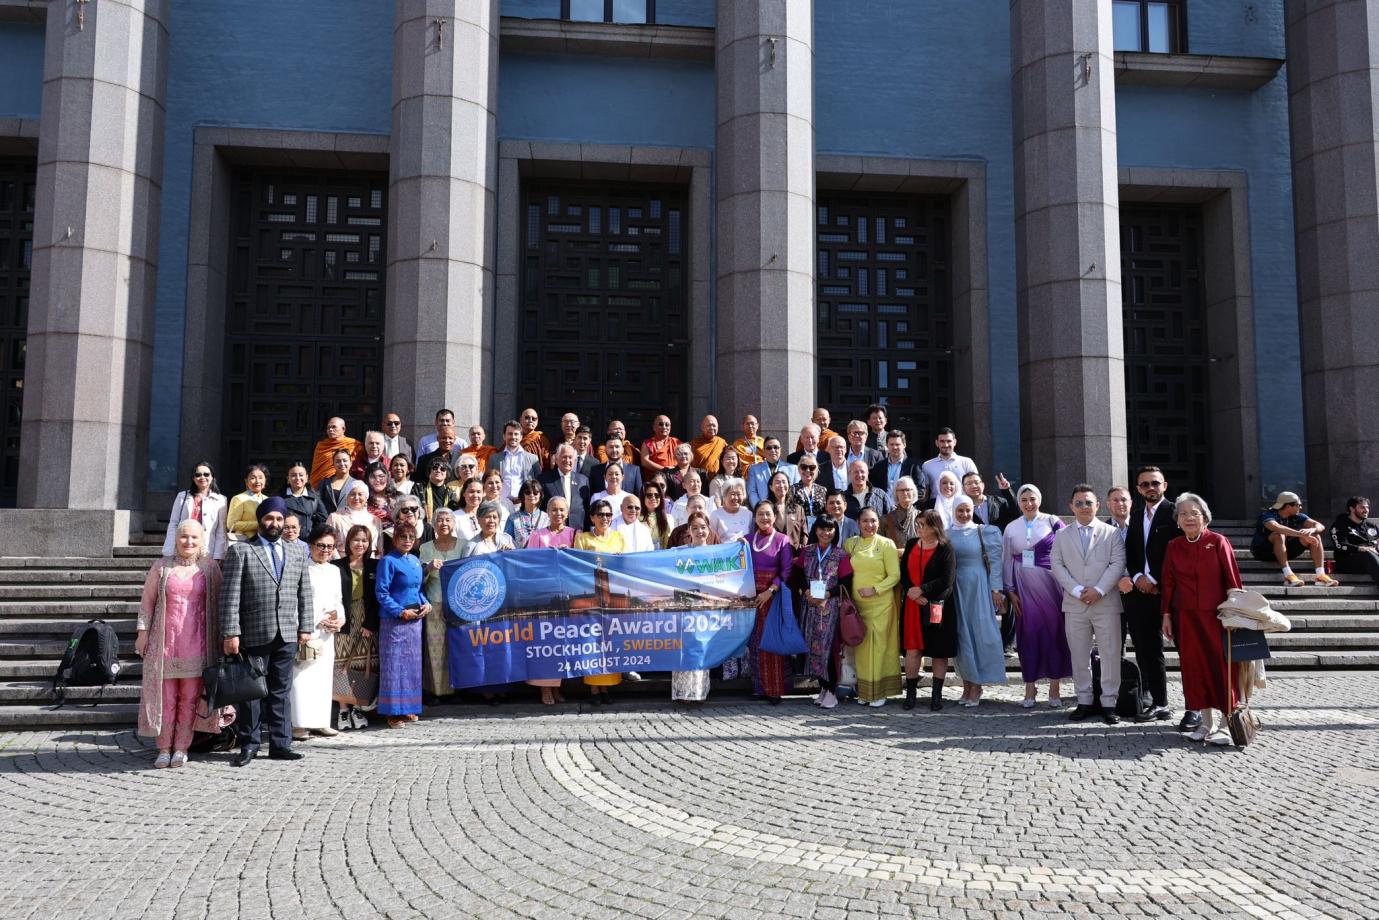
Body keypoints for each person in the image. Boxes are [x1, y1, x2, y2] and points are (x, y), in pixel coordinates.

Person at [221, 497, 314, 766]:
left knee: (281, 691)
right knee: (251, 693)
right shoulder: (241, 551)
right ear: (260, 520)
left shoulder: (297, 552)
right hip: (253, 632)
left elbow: (304, 592)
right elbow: (230, 596)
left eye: (279, 519)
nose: (274, 523)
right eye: (269, 518)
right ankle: (249, 744)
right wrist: (231, 632)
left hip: (287, 633)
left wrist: (305, 626)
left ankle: (280, 744)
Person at [136, 519, 224, 768]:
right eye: (184, 536)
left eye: (194, 537)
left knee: (189, 699)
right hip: (164, 644)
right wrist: (142, 633)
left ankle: (182, 748)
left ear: (202, 540)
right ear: (175, 539)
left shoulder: (210, 568)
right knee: (165, 699)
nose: (189, 541)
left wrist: (223, 639)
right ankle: (164, 748)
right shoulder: (162, 567)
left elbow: (220, 605)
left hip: (198, 645)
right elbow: (147, 602)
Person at [1160, 492, 1244, 745]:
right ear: (1177, 520)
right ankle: (1205, 723)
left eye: (1194, 513)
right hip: (1185, 617)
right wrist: (1166, 615)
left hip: (1216, 617)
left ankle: (1226, 724)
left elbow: (1232, 580)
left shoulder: (1218, 541)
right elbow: (1168, 582)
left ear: (1205, 517)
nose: (1189, 518)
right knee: (1194, 668)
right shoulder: (1173, 546)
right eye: (1183, 514)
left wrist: (1234, 612)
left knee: (1222, 667)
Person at [1050, 486, 1126, 725]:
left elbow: (1117, 564)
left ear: (1098, 506)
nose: (1084, 507)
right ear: (1071, 507)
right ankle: (1084, 700)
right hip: (1075, 604)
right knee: (1079, 655)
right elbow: (1056, 564)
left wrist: (1099, 590)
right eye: (1079, 503)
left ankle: (1109, 702)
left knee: (1110, 653)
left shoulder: (1111, 533)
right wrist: (1075, 590)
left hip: (1106, 602)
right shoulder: (1062, 535)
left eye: (1088, 502)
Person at [1123, 466, 1183, 723]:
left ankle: (1195, 708)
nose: (1151, 488)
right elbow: (1130, 552)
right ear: (1138, 489)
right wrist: (1138, 577)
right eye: (1145, 484)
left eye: (1155, 483)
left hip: (1171, 593)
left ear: (1164, 486)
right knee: (1148, 652)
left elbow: (1178, 552)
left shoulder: (1176, 513)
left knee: (1186, 652)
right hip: (1141, 594)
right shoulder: (1136, 517)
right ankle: (1159, 703)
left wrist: (1155, 579)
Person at [1002, 485, 1070, 708]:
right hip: (1023, 589)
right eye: (1024, 500)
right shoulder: (1011, 527)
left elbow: (1068, 551)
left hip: (1052, 588)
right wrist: (1010, 590)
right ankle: (1030, 686)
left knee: (1054, 634)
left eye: (1032, 499)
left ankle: (1055, 687)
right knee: (1028, 637)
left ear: (1039, 500)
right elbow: (1007, 559)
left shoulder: (1053, 521)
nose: (1028, 503)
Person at [787, 515, 852, 710]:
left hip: (829, 607)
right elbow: (797, 575)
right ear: (815, 530)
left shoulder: (841, 555)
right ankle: (823, 688)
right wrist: (805, 590)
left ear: (835, 532)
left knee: (828, 648)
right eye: (822, 529)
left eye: (830, 529)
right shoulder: (807, 552)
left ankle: (831, 690)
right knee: (812, 647)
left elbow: (847, 582)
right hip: (809, 606)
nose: (826, 533)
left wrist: (828, 594)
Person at [947, 496, 1007, 708]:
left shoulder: (984, 531)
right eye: (960, 510)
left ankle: (978, 685)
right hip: (956, 589)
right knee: (961, 636)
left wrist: (996, 589)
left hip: (978, 587)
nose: (964, 514)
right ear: (953, 511)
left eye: (968, 510)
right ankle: (967, 683)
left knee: (979, 634)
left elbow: (995, 562)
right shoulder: (946, 533)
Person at [375, 520, 430, 728]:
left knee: (411, 665)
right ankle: (392, 712)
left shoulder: (415, 560)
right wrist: (400, 611)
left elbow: (418, 589)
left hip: (415, 621)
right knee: (394, 665)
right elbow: (382, 592)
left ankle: (408, 708)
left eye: (411, 537)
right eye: (403, 537)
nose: (407, 540)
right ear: (395, 539)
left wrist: (426, 604)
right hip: (394, 621)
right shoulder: (388, 561)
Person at [292, 524, 345, 740]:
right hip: (308, 629)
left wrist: (340, 619)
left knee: (323, 677)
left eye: (329, 546)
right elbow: (295, 601)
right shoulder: (301, 568)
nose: (325, 550)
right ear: (311, 545)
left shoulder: (334, 570)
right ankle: (299, 723)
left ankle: (321, 721)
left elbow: (337, 600)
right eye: (320, 545)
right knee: (302, 676)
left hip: (327, 632)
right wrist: (315, 620)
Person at [846, 507, 902, 706]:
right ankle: (865, 692)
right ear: (858, 523)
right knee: (861, 649)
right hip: (857, 607)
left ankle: (879, 693)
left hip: (881, 604)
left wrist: (875, 589)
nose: (869, 525)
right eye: (865, 521)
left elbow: (894, 575)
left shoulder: (886, 544)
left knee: (879, 647)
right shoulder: (851, 544)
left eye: (873, 521)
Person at [575, 499, 626, 703]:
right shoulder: (583, 538)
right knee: (592, 642)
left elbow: (624, 566)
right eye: (600, 514)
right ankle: (594, 688)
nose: (605, 518)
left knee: (610, 642)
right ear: (592, 517)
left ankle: (606, 687)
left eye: (608, 514)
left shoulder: (618, 537)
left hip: (612, 595)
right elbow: (578, 566)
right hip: (592, 595)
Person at [745, 501, 795, 704]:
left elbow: (786, 571)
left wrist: (770, 591)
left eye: (768, 514)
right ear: (754, 517)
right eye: (760, 514)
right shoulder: (747, 540)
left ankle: (775, 690)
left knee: (772, 642)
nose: (764, 518)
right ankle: (759, 688)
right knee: (755, 644)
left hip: (773, 598)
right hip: (752, 599)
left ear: (774, 517)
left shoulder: (783, 540)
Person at [668, 511, 719, 705]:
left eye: (703, 527)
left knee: (700, 648)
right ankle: (682, 692)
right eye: (695, 528)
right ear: (689, 530)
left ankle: (698, 692)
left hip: (705, 607)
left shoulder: (716, 553)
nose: (699, 531)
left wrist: (741, 543)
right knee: (683, 647)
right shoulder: (679, 552)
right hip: (684, 606)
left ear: (709, 529)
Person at [332, 524, 379, 731]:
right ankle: (343, 710)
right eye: (356, 540)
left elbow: (378, 597)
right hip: (344, 618)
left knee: (363, 664)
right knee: (342, 664)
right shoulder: (336, 565)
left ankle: (358, 708)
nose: (360, 544)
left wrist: (370, 624)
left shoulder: (375, 566)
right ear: (348, 542)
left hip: (366, 619)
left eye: (364, 540)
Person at [419, 507, 467, 701]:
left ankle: (459, 690)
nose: (444, 523)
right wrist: (428, 568)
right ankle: (438, 692)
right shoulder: (425, 548)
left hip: (459, 605)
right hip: (435, 603)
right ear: (433, 524)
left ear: (454, 523)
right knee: (436, 649)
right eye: (439, 520)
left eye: (448, 520)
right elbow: (419, 579)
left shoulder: (464, 545)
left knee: (458, 647)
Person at [1251, 490, 1337, 587]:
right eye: (1298, 505)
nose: (1300, 507)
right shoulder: (1267, 515)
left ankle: (1320, 576)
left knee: (1315, 535)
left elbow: (1320, 526)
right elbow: (1277, 527)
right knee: (1278, 534)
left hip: (1285, 552)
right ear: (1288, 506)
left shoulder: (1296, 516)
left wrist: (1313, 529)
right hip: (1263, 552)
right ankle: (1288, 576)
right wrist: (1302, 534)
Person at [163, 462, 229, 562]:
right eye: (198, 475)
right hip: (184, 546)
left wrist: (218, 555)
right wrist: (169, 550)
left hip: (207, 549)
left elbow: (221, 530)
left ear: (212, 477)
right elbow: (173, 524)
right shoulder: (182, 496)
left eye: (206, 474)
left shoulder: (221, 500)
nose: (202, 477)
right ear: (193, 478)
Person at [539, 443, 591, 530]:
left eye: (570, 457)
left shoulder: (583, 480)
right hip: (553, 530)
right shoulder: (544, 480)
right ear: (556, 459)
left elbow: (586, 507)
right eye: (564, 457)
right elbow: (541, 507)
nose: (567, 460)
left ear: (575, 461)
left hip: (577, 530)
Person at [1331, 496, 1379, 586]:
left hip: (1372, 561)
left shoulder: (1371, 526)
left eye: (1367, 507)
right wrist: (1360, 548)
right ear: (1352, 509)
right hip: (1348, 562)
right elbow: (1339, 545)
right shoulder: (1340, 524)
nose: (1366, 510)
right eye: (1362, 507)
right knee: (1367, 553)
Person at [327, 481, 380, 560]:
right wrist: (340, 562)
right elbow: (328, 543)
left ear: (366, 498)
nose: (356, 498)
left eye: (360, 494)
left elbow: (380, 548)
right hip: (341, 562)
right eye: (352, 494)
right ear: (347, 497)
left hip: (370, 563)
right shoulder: (335, 517)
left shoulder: (376, 520)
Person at [869, 430, 923, 501]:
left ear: (904, 445)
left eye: (897, 444)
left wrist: (905, 503)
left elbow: (921, 490)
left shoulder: (914, 466)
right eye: (891, 444)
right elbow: (873, 489)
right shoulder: (878, 466)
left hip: (905, 506)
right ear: (887, 445)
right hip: (883, 506)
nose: (894, 447)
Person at [745, 436, 798, 506]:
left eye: (776, 447)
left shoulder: (793, 469)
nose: (773, 450)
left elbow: (796, 492)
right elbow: (752, 492)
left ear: (780, 449)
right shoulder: (754, 470)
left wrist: (788, 508)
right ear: (764, 451)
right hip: (763, 510)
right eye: (769, 448)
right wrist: (759, 508)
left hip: (787, 509)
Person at [310, 416, 362, 486]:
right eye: (328, 428)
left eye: (334, 427)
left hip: (344, 484)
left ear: (343, 429)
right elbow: (316, 468)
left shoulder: (354, 444)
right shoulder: (322, 446)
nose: (330, 430)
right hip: (320, 484)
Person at [282, 461, 327, 538]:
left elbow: (323, 522)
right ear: (288, 478)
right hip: (286, 540)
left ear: (306, 478)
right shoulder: (279, 498)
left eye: (301, 475)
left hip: (308, 542)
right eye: (293, 475)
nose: (297, 478)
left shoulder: (314, 498)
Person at [226, 464, 270, 543]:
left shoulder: (268, 500)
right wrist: (258, 525)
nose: (257, 481)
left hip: (265, 541)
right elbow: (231, 524)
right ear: (246, 481)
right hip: (246, 542)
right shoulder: (239, 499)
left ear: (265, 480)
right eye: (253, 478)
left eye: (261, 477)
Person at [591, 435, 644, 499]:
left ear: (623, 449)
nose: (614, 450)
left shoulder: (634, 470)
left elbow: (639, 496)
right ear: (605, 450)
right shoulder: (595, 470)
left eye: (617, 447)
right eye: (611, 447)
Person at [765, 470, 808, 549]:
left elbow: (804, 534)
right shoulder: (765, 509)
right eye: (777, 482)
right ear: (771, 487)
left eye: (784, 482)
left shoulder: (798, 509)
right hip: (772, 553)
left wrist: (801, 552)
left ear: (788, 485)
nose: (781, 485)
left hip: (794, 554)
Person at [505, 479, 550, 548]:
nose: (531, 495)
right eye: (528, 492)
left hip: (542, 554)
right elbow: (506, 540)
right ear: (522, 495)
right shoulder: (513, 518)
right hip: (519, 554)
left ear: (540, 495)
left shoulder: (547, 518)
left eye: (535, 493)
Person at [789, 456, 827, 533]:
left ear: (816, 470)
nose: (808, 470)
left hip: (819, 531)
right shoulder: (792, 490)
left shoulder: (822, 490)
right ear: (799, 469)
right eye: (804, 467)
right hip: (799, 531)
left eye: (812, 467)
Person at [417, 456, 461, 522]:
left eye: (443, 469)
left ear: (447, 473)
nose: (438, 470)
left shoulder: (451, 493)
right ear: (429, 471)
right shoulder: (419, 488)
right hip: (424, 525)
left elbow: (454, 514)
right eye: (435, 468)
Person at [881, 476, 922, 546]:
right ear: (896, 493)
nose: (905, 493)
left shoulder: (921, 517)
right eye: (901, 490)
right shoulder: (885, 520)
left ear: (913, 492)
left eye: (908, 489)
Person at [316, 449, 357, 516]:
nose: (342, 464)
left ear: (351, 463)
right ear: (333, 464)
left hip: (348, 520)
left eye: (345, 460)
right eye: (338, 461)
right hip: (327, 520)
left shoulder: (356, 484)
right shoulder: (324, 483)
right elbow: (318, 504)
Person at [640, 415, 681, 480]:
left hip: (674, 479)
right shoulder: (648, 443)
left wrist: (674, 469)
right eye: (661, 424)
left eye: (667, 425)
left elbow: (685, 457)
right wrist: (664, 469)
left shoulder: (676, 442)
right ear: (654, 428)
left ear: (670, 428)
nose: (664, 427)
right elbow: (644, 462)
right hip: (655, 480)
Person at [641, 484, 674, 548]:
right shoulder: (636, 519)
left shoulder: (668, 518)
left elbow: (669, 543)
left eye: (657, 495)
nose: (653, 498)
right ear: (643, 497)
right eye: (649, 495)